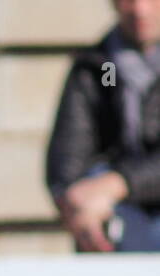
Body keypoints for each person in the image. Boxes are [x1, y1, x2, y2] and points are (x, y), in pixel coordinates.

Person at [46, 0, 160, 252]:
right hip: (114, 216)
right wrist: (78, 203)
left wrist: (121, 182)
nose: (140, 9)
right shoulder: (97, 67)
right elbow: (66, 161)